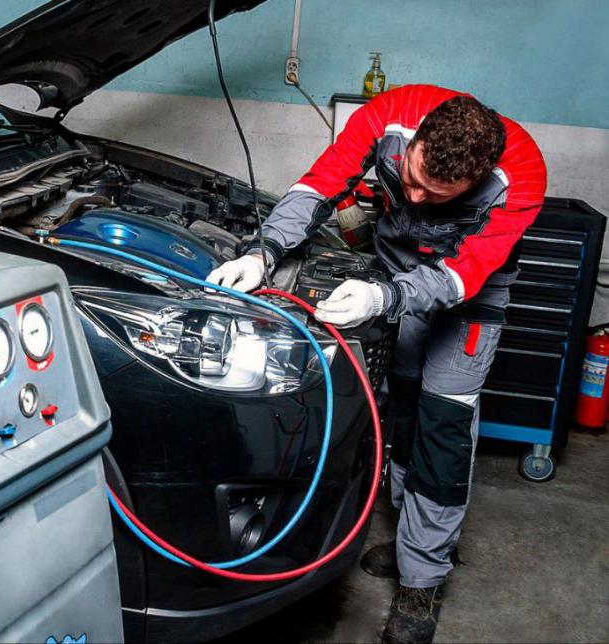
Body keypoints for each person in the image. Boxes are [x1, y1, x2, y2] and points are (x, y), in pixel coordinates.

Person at [208, 84, 546, 644]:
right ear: (415, 139)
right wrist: (263, 251)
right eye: (410, 178)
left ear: (478, 178)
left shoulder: (523, 173)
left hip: (467, 301)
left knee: (443, 428)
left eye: (437, 195)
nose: (414, 197)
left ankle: (423, 579)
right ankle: (414, 538)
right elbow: (320, 184)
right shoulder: (389, 114)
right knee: (402, 411)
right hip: (392, 278)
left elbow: (465, 274)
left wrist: (382, 298)